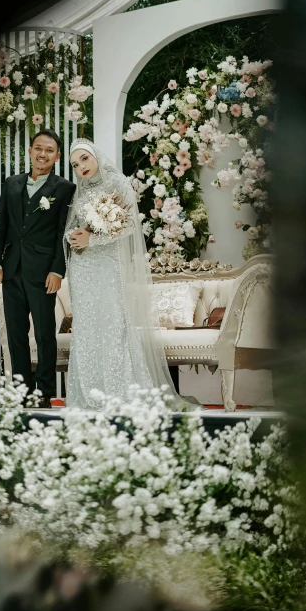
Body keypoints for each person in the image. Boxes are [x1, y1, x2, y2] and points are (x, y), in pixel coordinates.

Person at [65, 139, 184, 410]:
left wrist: (92, 239)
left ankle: (119, 391)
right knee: (86, 329)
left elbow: (129, 225)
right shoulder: (80, 192)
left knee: (112, 324)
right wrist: (74, 237)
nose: (80, 166)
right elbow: (71, 226)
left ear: (96, 156)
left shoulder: (117, 182)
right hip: (82, 267)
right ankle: (89, 394)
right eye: (75, 164)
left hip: (108, 264)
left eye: (84, 158)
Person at [0, 129, 75, 408]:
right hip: (11, 269)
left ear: (57, 156)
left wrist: (57, 271)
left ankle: (45, 394)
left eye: (49, 150)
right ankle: (22, 392)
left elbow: (63, 232)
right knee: (16, 334)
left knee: (44, 334)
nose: (42, 154)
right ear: (29, 151)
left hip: (43, 273)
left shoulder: (64, 189)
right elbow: (1, 225)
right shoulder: (12, 183)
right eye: (38, 148)